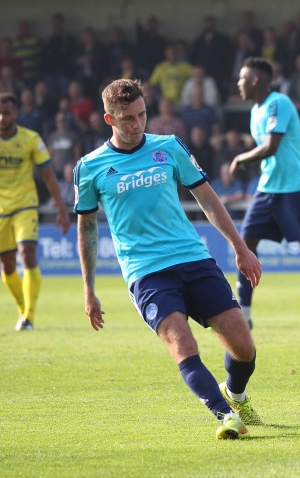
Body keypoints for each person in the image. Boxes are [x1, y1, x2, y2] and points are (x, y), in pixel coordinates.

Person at [74, 79, 261, 440]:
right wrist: (89, 289)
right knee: (182, 343)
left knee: (244, 347)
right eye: (127, 118)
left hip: (193, 258)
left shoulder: (169, 147)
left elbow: (207, 199)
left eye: (142, 114)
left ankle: (234, 394)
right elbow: (87, 230)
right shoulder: (90, 167)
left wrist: (240, 247)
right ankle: (225, 416)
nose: (138, 124)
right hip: (146, 272)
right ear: (108, 119)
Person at [230, 58, 300, 336]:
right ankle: (245, 317)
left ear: (255, 80)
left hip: (294, 188)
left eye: (242, 78)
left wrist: (240, 158)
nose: (238, 83)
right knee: (245, 247)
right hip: (267, 190)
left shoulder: (279, 103)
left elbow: (271, 147)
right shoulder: (255, 111)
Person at [0, 92, 70, 331]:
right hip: (0, 210)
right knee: (8, 265)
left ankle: (28, 317)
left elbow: (48, 174)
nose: (1, 117)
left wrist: (61, 208)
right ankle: (23, 309)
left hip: (25, 205)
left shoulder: (31, 139)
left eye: (6, 113)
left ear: (16, 114)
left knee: (27, 254)